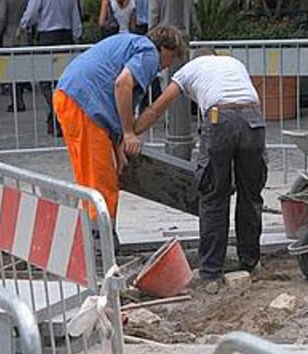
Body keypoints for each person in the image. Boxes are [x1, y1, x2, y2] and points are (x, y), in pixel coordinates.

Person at [134, 49, 267, 293]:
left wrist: (131, 132)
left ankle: (211, 272)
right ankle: (249, 263)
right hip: (253, 119)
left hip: (220, 117)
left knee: (214, 195)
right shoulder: (233, 63)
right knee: (250, 196)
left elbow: (157, 108)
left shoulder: (188, 70)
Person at [53, 25, 186, 233]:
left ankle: (89, 235)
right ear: (164, 48)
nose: (168, 65)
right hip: (85, 103)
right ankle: (102, 240)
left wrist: (117, 146)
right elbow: (122, 84)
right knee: (103, 179)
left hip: (70, 98)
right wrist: (128, 133)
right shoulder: (149, 52)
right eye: (171, 57)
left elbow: (113, 107)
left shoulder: (132, 44)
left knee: (87, 176)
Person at [19, 0, 82, 136]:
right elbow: (75, 17)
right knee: (64, 81)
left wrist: (24, 25)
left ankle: (56, 115)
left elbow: (31, 14)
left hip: (47, 36)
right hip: (66, 36)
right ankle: (58, 116)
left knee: (46, 81)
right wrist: (76, 37)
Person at [0, 0, 29, 113]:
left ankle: (17, 101)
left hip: (9, 36)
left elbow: (1, 17)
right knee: (19, 70)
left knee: (11, 71)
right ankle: (19, 99)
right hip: (22, 35)